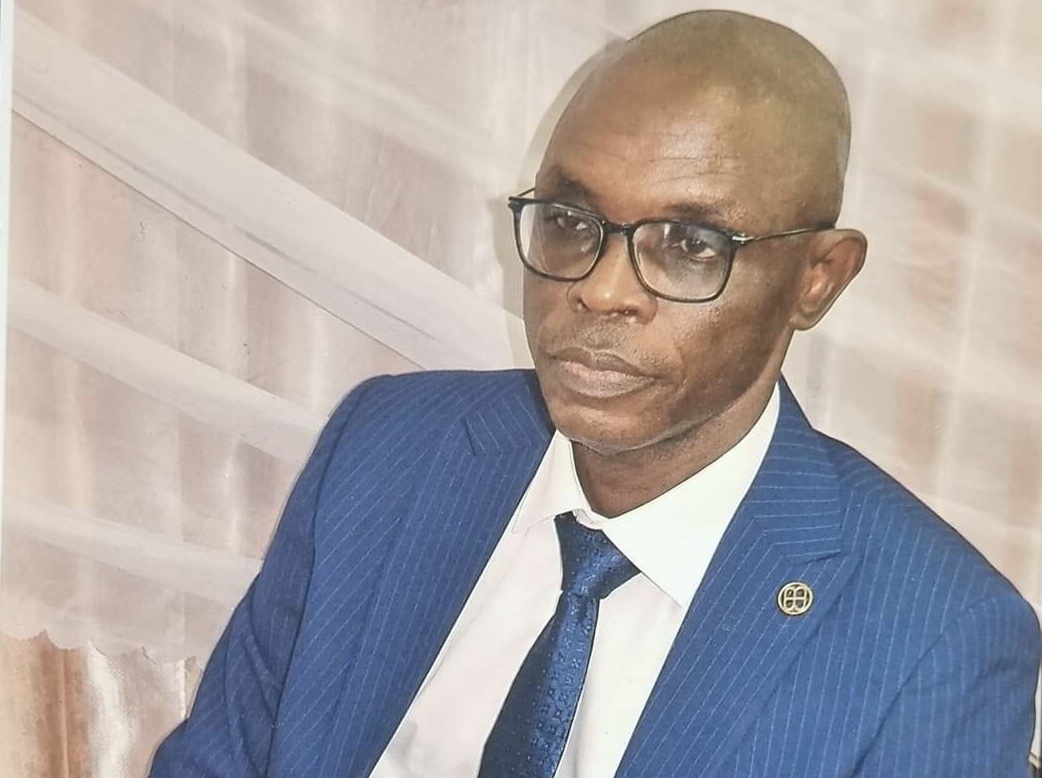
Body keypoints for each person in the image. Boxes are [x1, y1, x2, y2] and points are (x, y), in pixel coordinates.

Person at [149, 10, 1040, 777]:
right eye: (572, 222)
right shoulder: (387, 446)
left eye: (690, 245)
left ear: (818, 278)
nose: (601, 290)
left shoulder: (935, 638)